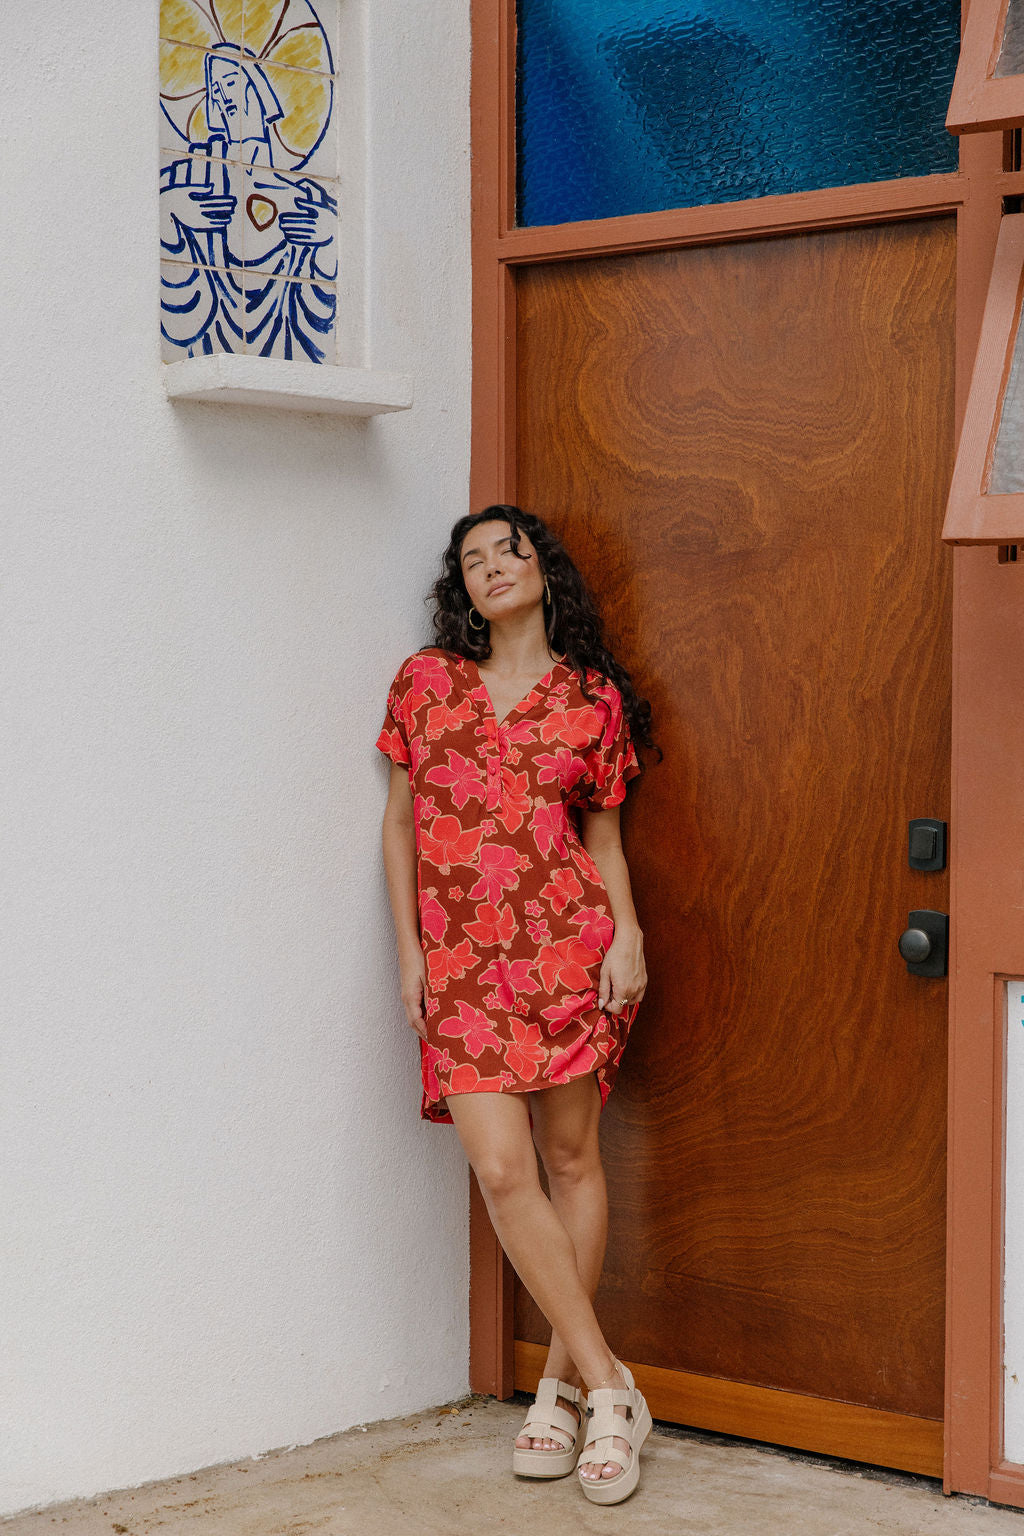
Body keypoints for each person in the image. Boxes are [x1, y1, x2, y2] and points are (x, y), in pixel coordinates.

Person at [376, 504, 660, 1505]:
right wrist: (408, 952)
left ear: (544, 572)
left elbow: (606, 841)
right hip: (459, 967)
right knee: (503, 1171)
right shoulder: (427, 683)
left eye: (510, 550)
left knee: (571, 1158)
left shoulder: (591, 701)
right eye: (473, 560)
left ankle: (555, 1391)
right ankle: (610, 1383)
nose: (493, 567)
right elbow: (402, 825)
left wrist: (623, 935)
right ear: (462, 588)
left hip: (563, 951)